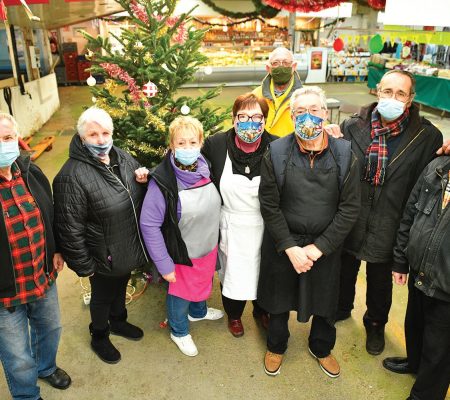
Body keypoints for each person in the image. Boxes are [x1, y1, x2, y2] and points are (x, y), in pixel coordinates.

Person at [336, 70, 445, 356]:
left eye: (400, 94)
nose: (392, 98)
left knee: (380, 280)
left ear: (410, 99)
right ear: (377, 92)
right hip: (352, 215)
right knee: (345, 268)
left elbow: (429, 182)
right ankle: (341, 306)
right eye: (387, 92)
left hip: (391, 219)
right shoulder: (352, 126)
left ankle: (375, 324)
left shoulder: (426, 136)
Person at [257, 87, 360, 378]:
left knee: (325, 301)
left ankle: (322, 347)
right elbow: (269, 204)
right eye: (300, 112)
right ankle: (276, 346)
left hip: (325, 246)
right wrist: (289, 247)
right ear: (291, 116)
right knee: (278, 301)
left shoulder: (345, 154)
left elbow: (349, 208)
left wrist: (319, 247)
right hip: (284, 243)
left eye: (314, 110)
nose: (307, 117)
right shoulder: (276, 152)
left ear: (325, 113)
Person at [53, 107, 148, 364]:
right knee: (102, 296)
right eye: (93, 134)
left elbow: (135, 188)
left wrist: (143, 178)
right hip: (101, 256)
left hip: (125, 247)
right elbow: (69, 228)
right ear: (82, 138)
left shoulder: (122, 157)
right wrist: (85, 266)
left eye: (106, 132)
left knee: (120, 287)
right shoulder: (71, 176)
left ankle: (118, 322)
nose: (101, 140)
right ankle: (99, 334)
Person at [0, 113, 71, 400]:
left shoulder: (30, 171)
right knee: (17, 355)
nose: (2, 145)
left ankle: (46, 367)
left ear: (17, 139)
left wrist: (56, 249)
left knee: (50, 329)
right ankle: (27, 395)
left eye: (5, 138)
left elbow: (49, 213)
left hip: (42, 276)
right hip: (6, 293)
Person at [140, 116, 223, 357]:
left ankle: (198, 312)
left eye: (192, 142)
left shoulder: (206, 168)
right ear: (171, 146)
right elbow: (149, 225)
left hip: (207, 246)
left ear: (200, 143)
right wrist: (164, 264)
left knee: (203, 281)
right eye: (181, 143)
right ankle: (178, 330)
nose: (187, 148)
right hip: (181, 253)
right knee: (180, 292)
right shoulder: (163, 182)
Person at [202, 93, 278, 338]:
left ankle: (261, 310)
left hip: (265, 224)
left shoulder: (277, 147)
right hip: (231, 223)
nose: (250, 124)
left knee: (264, 272)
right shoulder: (216, 145)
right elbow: (189, 163)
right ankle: (234, 315)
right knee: (232, 272)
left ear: (265, 121)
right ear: (233, 119)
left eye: (257, 117)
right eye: (243, 117)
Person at [383, 156, 450, 400]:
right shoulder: (437, 167)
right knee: (415, 324)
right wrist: (401, 260)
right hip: (420, 269)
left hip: (446, 285)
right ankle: (414, 362)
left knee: (439, 349)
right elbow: (410, 212)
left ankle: (425, 394)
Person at [253, 47, 302, 137]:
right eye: (276, 63)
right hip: (264, 149)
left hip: (292, 149)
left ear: (294, 66)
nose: (281, 67)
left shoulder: (305, 96)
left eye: (286, 63)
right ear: (268, 68)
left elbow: (318, 125)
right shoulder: (256, 95)